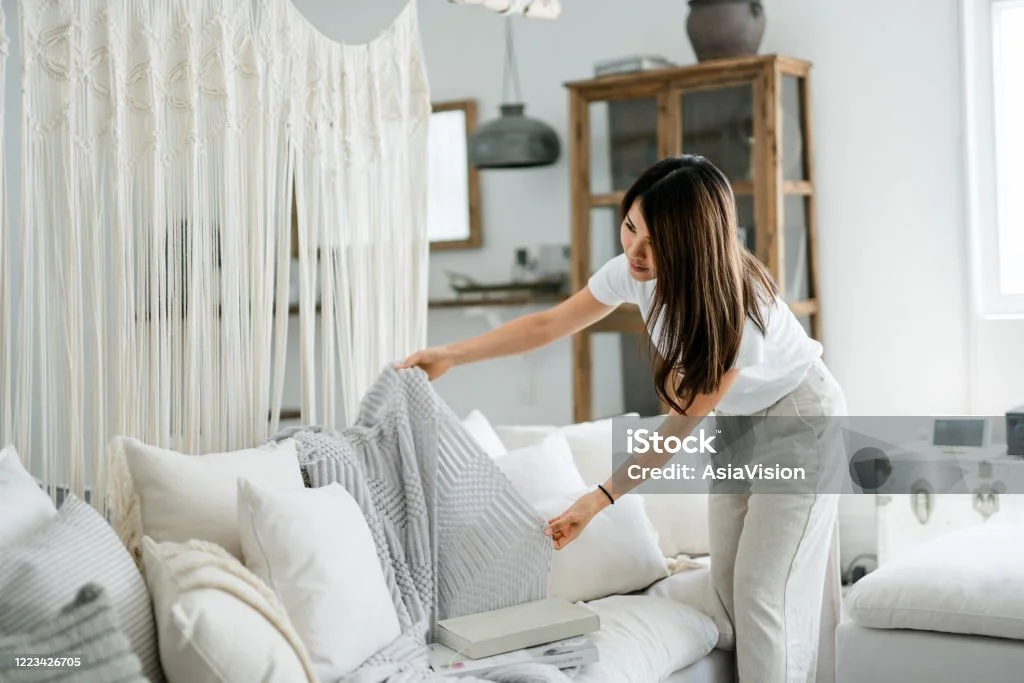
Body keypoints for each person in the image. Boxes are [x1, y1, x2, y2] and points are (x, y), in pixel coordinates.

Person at [399, 154, 846, 683]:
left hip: (799, 419)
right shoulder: (635, 271)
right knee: (728, 590)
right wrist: (453, 353)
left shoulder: (739, 311)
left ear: (691, 245)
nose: (635, 250)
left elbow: (680, 425)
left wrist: (599, 499)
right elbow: (549, 323)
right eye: (631, 227)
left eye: (655, 241)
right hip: (740, 421)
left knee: (762, 596)